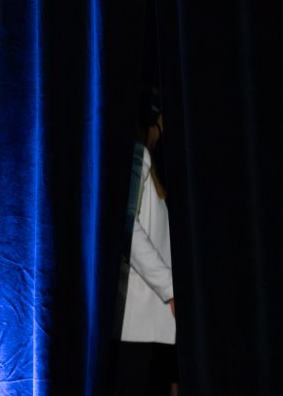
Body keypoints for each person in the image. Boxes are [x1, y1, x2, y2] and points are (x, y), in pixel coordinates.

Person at [113, 88, 177, 395]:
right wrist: (169, 287)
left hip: (146, 323)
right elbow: (128, 228)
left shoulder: (142, 157)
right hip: (136, 320)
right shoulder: (138, 155)